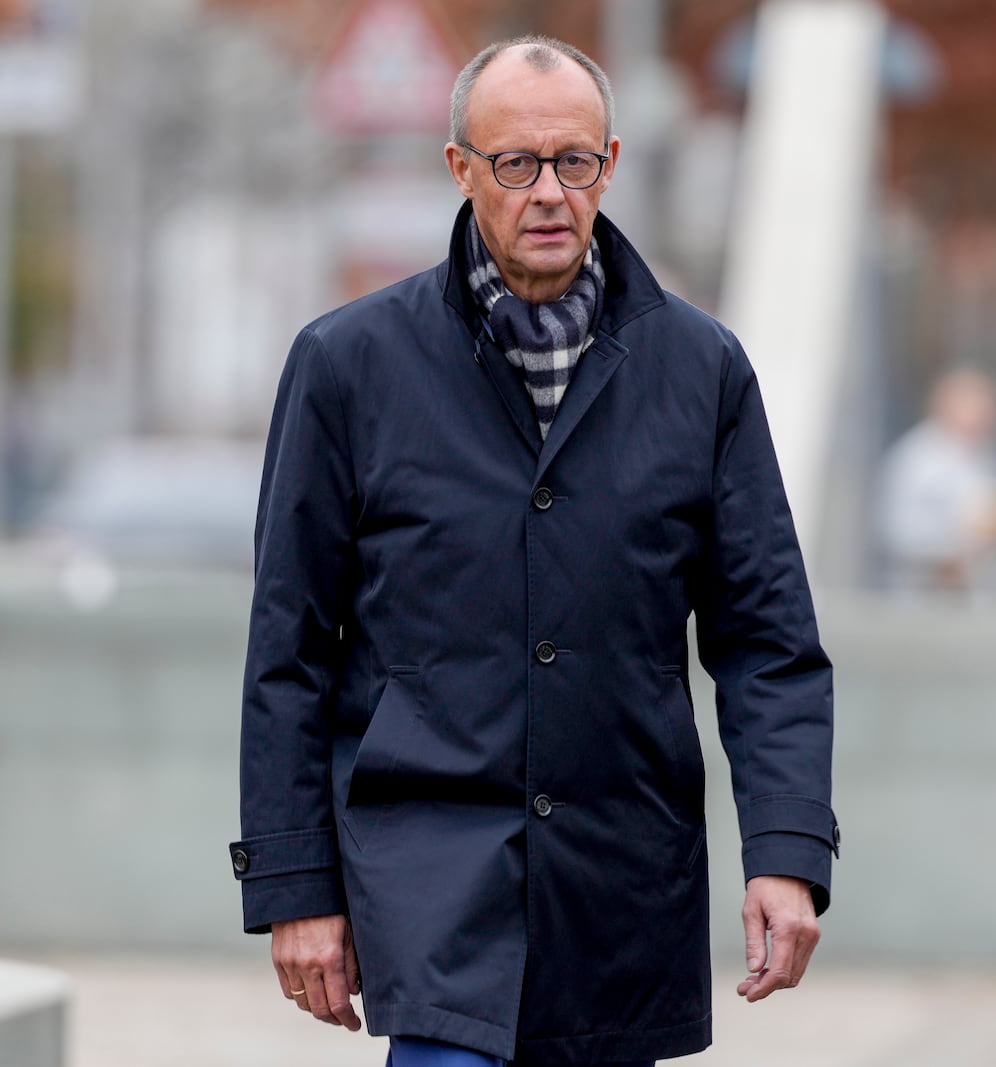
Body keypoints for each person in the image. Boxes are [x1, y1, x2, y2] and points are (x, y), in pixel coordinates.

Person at [229, 36, 837, 1067]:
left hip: (619, 880)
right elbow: (288, 647)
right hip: (428, 875)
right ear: (461, 167)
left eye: (574, 162)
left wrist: (787, 851)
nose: (547, 191)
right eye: (516, 164)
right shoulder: (348, 366)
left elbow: (767, 641)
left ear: (608, 161)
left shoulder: (701, 370)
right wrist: (295, 887)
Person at [874, 368, 996, 596]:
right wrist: (952, 549)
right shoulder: (916, 456)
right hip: (923, 595)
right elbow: (897, 531)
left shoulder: (985, 454)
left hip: (976, 595)